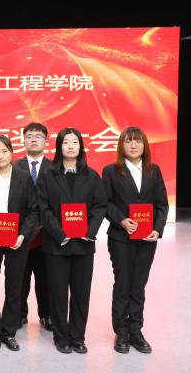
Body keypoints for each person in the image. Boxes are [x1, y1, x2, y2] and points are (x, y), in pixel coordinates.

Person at [37, 127, 107, 354]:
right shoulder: (48, 175)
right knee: (58, 293)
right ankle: (61, 336)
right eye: (65, 142)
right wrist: (60, 233)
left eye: (74, 142)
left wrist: (90, 230)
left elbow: (100, 206)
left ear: (81, 146)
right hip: (56, 244)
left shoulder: (92, 176)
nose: (70, 146)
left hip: (84, 244)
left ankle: (78, 336)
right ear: (59, 146)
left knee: (81, 293)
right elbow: (43, 207)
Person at [102, 126, 168, 354]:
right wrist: (121, 220)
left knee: (139, 285)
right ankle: (121, 331)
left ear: (144, 145)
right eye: (128, 141)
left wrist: (157, 229)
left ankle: (136, 330)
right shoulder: (111, 171)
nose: (133, 145)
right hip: (120, 238)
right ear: (121, 145)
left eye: (138, 141)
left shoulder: (154, 170)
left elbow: (161, 204)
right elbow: (105, 203)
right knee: (123, 283)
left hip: (147, 239)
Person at [0, 135, 38, 351]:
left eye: (4, 151)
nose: (0, 156)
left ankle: (9, 331)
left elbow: (33, 210)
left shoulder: (24, 177)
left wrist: (22, 235)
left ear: (11, 152)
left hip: (16, 239)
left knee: (15, 286)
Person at [16, 122, 54, 331]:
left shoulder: (55, 168)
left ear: (46, 141)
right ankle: (19, 314)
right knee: (19, 276)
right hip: (20, 233)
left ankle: (46, 314)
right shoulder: (14, 166)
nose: (33, 139)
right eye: (29, 136)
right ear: (23, 140)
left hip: (47, 234)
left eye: (38, 136)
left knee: (45, 277)